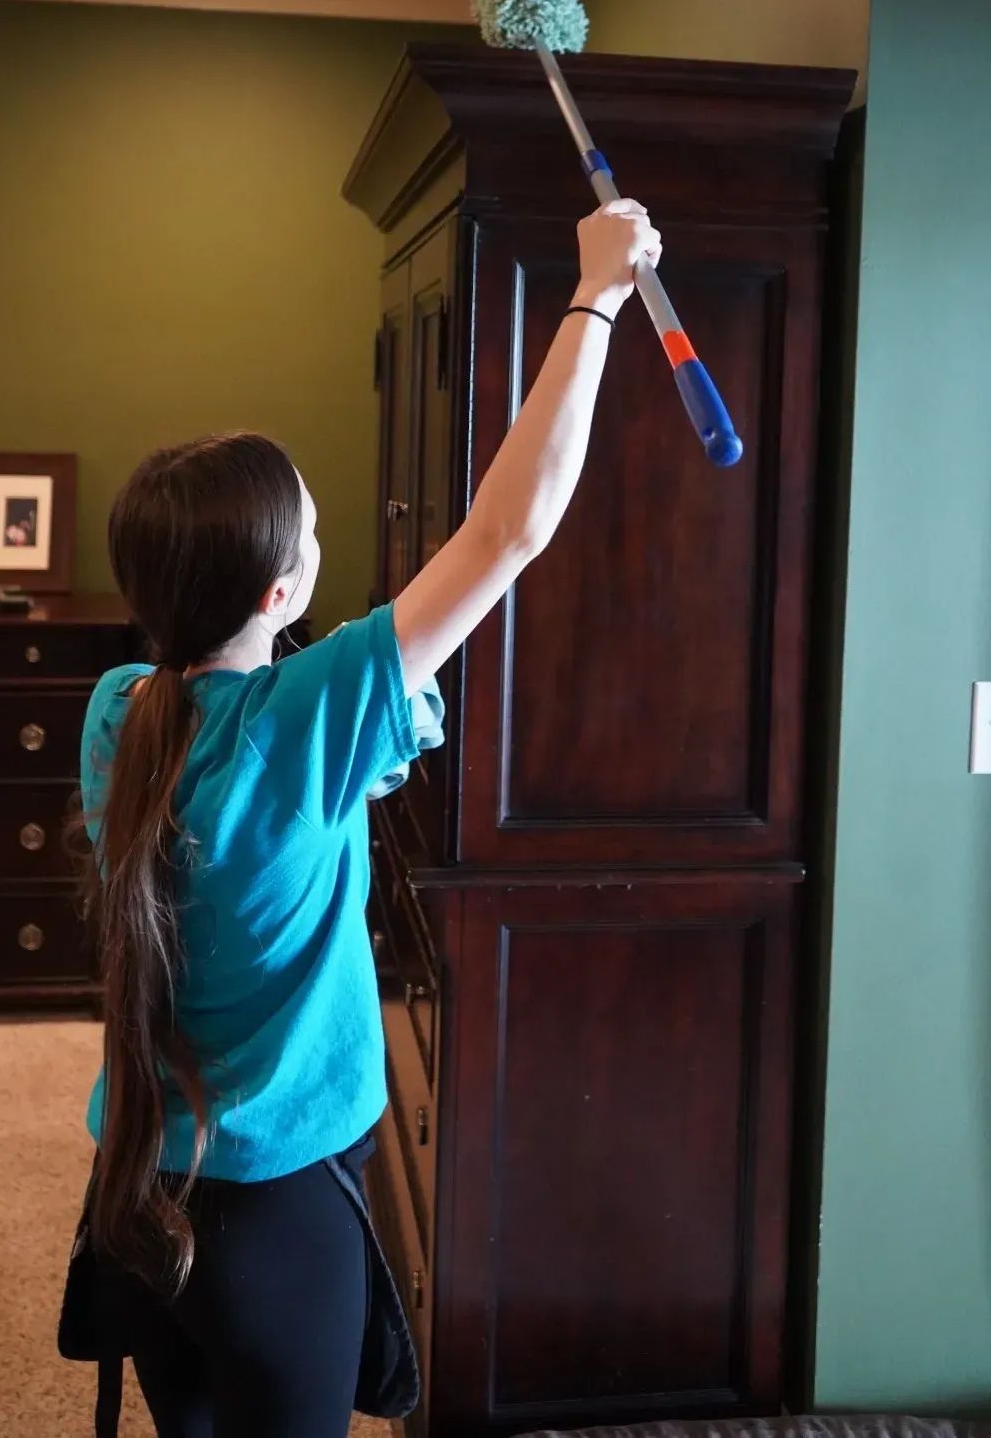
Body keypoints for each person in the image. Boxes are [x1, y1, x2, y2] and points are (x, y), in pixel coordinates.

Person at [77, 197, 661, 1438]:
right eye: (313, 525)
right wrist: (597, 292)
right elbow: (511, 528)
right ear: (283, 588)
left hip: (134, 1187)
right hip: (276, 1207)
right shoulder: (308, 711)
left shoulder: (118, 712)